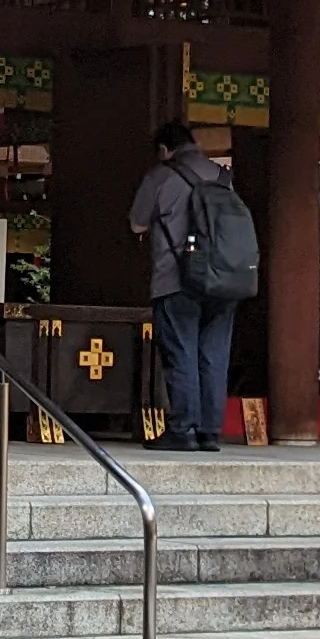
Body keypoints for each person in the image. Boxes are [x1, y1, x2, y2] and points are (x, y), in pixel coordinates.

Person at [128, 117, 238, 451]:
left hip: (177, 279)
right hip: (223, 278)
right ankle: (209, 431)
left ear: (164, 149)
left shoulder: (160, 176)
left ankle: (182, 428)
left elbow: (136, 225)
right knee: (214, 355)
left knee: (182, 352)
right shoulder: (223, 176)